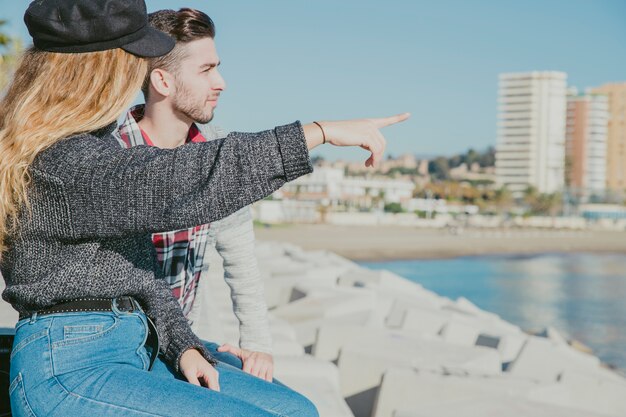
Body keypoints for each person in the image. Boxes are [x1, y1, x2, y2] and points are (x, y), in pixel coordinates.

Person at [0, 0, 409, 416]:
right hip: (70, 366)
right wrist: (318, 133)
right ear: (104, 72)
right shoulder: (62, 160)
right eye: (132, 59)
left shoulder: (94, 149)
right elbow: (175, 180)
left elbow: (139, 278)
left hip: (136, 343)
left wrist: (183, 346)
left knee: (297, 410)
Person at [114, 8, 276, 382]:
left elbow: (241, 259)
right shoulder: (109, 151)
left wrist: (257, 345)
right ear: (163, 81)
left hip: (183, 353)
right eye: (206, 71)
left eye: (217, 67)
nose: (221, 83)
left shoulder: (215, 153)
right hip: (116, 351)